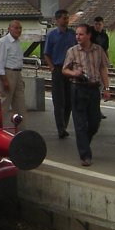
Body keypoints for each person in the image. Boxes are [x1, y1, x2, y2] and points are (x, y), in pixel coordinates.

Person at [62, 23, 111, 166]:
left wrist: (106, 88)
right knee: (80, 123)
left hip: (94, 88)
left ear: (88, 35)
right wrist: (74, 73)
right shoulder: (72, 51)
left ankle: (84, 143)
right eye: (76, 34)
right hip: (78, 88)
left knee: (95, 122)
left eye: (81, 34)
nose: (78, 37)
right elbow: (64, 70)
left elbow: (103, 69)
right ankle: (85, 155)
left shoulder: (98, 50)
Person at [43, 9, 77, 139]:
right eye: (64, 18)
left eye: (67, 18)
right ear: (57, 20)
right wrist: (52, 67)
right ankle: (60, 128)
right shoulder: (52, 35)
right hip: (57, 69)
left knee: (69, 99)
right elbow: (46, 53)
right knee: (58, 100)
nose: (66, 20)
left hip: (69, 69)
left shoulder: (72, 34)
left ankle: (64, 124)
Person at [0, 20, 26, 122]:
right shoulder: (3, 42)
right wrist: (4, 80)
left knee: (20, 103)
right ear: (9, 29)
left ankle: (21, 129)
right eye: (16, 28)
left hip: (17, 73)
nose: (19, 30)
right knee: (4, 103)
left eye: (20, 28)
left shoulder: (17, 42)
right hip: (8, 73)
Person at [91, 16, 110, 119]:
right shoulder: (90, 34)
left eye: (99, 24)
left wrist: (107, 60)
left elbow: (106, 49)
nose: (97, 26)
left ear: (102, 24)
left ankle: (97, 109)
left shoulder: (104, 36)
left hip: (101, 61)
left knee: (100, 86)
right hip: (91, 62)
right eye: (96, 24)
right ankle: (94, 110)